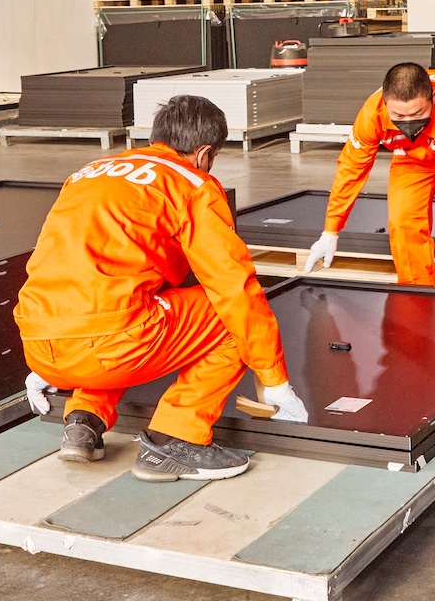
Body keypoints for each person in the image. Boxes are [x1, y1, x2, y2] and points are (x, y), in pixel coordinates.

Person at [17, 95, 308, 483]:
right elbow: (233, 288)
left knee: (126, 302)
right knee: (226, 318)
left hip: (39, 338)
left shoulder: (90, 172)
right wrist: (275, 381)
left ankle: (85, 419)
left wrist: (49, 357)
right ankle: (176, 439)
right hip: (108, 344)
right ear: (204, 153)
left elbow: (73, 269)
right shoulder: (191, 185)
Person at [304, 63, 435, 298]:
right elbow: (350, 170)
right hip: (411, 158)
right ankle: (417, 295)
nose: (408, 122)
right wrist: (330, 231)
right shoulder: (372, 114)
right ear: (385, 104)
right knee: (403, 222)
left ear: (433, 99)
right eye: (399, 116)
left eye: (418, 113)